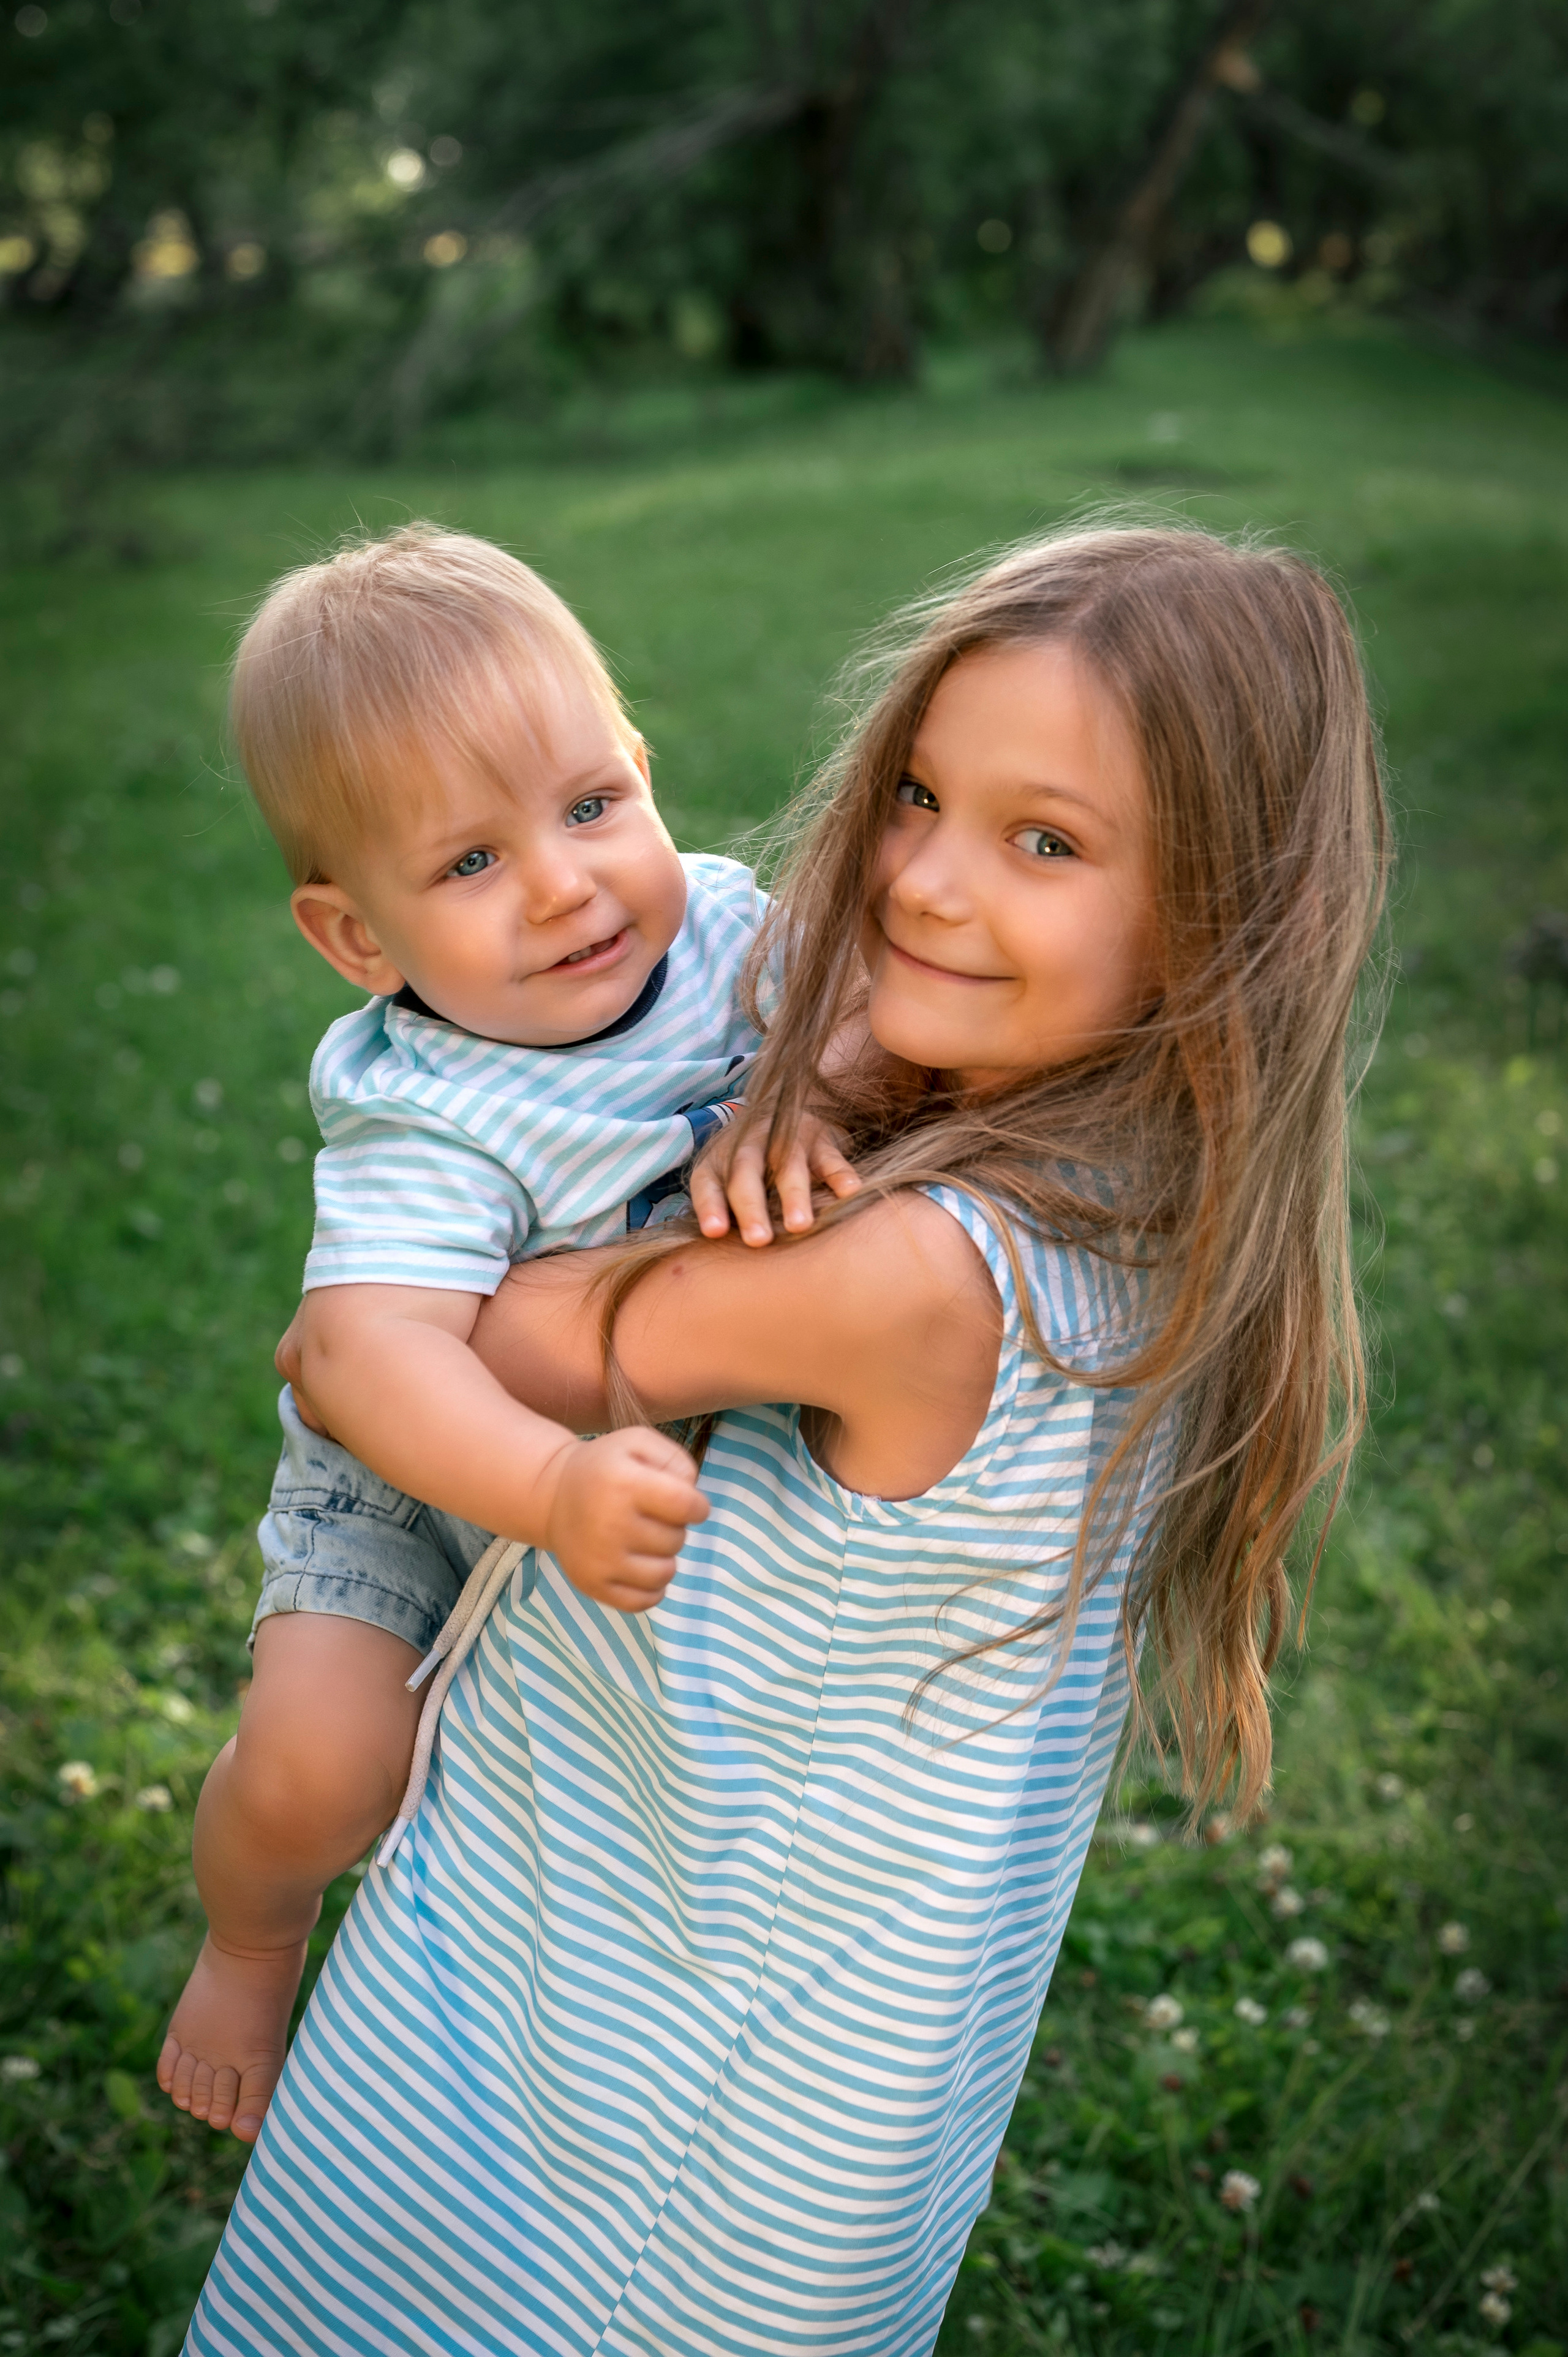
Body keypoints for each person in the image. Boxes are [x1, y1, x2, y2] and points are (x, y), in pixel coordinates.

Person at [184, 523, 1387, 2357]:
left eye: (1043, 842)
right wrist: (802, 1084)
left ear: (1223, 916)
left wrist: (363, 1344)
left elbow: (484, 1340)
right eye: (918, 794)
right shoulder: (1134, 1181)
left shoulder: (913, 1272)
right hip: (743, 2027)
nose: (920, 883)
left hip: (623, 2091)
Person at [157, 524, 854, 2144]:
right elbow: (362, 1361)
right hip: (418, 1480)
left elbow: (870, 1013)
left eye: (591, 807)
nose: (562, 886)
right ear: (357, 938)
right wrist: (540, 1490)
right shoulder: (429, 1106)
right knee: (329, 1765)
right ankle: (252, 1941)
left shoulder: (739, 937)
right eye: (468, 864)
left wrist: (806, 1094)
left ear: (641, 769)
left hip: (641, 1443)